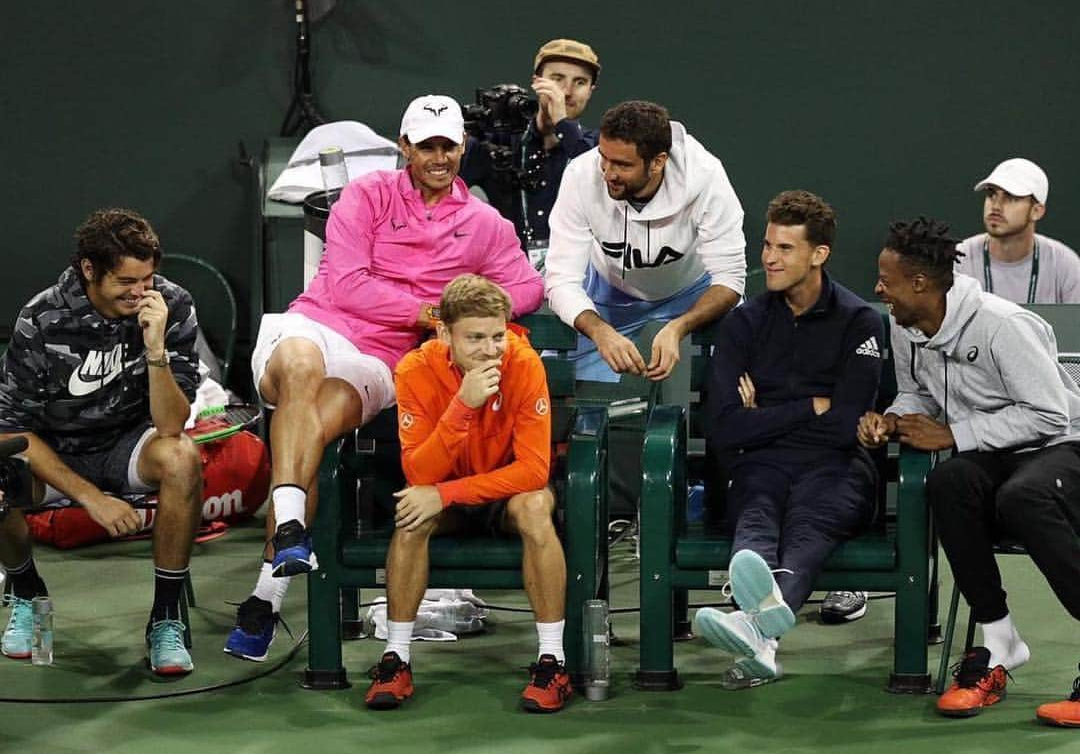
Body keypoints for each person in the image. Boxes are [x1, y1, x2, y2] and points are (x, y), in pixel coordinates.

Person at [225, 94, 544, 662]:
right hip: (316, 326)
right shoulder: (365, 196)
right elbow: (346, 284)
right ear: (405, 148)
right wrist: (432, 312)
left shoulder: (484, 224)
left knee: (310, 433)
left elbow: (527, 289)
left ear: (462, 148)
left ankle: (268, 592)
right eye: (426, 146)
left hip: (376, 358)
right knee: (300, 369)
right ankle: (289, 537)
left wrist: (472, 308)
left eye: (448, 146)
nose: (438, 157)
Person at [858, 216, 1080, 726]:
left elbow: (1051, 413)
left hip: (1062, 445)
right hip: (999, 453)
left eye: (886, 280)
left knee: (1021, 498)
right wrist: (892, 419)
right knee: (948, 482)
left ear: (920, 283)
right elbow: (919, 393)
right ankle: (999, 643)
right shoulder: (905, 323)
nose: (878, 289)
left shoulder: (1002, 325)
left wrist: (957, 435)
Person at [693, 191, 883, 689]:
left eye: (785, 249)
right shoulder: (745, 322)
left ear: (818, 254)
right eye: (767, 246)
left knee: (807, 529)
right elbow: (725, 425)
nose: (770, 259)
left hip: (836, 467)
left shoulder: (859, 321)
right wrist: (808, 407)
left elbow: (845, 426)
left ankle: (753, 629)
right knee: (755, 521)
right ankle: (762, 638)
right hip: (759, 465)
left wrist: (767, 414)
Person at [0, 209, 202, 675]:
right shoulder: (42, 318)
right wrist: (91, 498)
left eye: (147, 278)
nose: (140, 292)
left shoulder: (171, 305)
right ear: (89, 270)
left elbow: (171, 425)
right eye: (126, 281)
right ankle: (27, 592)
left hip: (128, 445)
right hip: (52, 450)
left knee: (182, 456)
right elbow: (11, 431)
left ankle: (166, 615)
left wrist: (156, 351)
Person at [364, 274, 571, 713]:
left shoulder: (524, 363)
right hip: (444, 493)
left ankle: (553, 661)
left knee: (536, 508)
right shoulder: (415, 371)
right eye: (475, 337)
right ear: (445, 334)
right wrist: (463, 405)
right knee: (411, 512)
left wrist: (447, 492)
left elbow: (534, 471)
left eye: (497, 335)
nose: (490, 348)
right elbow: (418, 470)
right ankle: (396, 659)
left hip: (506, 494)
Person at [544, 100, 746, 383]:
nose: (607, 173)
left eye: (623, 165)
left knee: (738, 377)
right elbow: (560, 281)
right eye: (604, 157)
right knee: (556, 380)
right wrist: (600, 332)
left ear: (658, 162)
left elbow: (730, 278)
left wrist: (679, 327)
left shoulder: (705, 176)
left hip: (692, 291)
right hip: (610, 291)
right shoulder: (581, 175)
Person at [460, 38, 600, 250]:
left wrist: (563, 123)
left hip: (576, 274)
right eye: (557, 79)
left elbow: (596, 177)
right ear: (537, 82)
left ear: (590, 91)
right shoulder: (498, 139)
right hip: (504, 272)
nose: (567, 91)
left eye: (580, 82)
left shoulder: (596, 147)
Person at [954, 158, 1080, 304]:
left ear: (1036, 211)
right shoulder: (957, 260)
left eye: (1011, 197)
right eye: (991, 194)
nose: (996, 206)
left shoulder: (1066, 266)